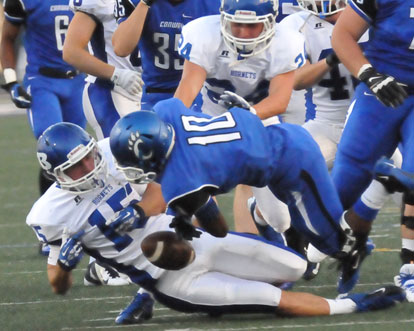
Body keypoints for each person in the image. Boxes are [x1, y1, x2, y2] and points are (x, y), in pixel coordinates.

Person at [27, 122, 406, 323]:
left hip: (192, 240)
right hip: (170, 278)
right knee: (276, 300)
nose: (88, 168)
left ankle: (229, 288)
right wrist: (63, 263)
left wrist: (155, 210)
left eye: (89, 158)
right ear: (55, 173)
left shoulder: (113, 150)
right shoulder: (51, 214)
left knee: (295, 264)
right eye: (74, 167)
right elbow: (58, 287)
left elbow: (165, 179)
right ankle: (354, 305)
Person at [109, 99, 414, 294]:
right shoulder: (165, 112)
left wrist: (188, 216)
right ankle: (265, 213)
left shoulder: (181, 181)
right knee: (309, 228)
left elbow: (218, 230)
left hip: (293, 165)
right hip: (276, 143)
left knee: (332, 242)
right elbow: (180, 113)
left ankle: (382, 185)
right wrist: (185, 211)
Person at [173, 0, 306, 234]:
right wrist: (176, 122)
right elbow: (189, 85)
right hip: (210, 114)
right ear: (223, 18)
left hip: (259, 118)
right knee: (184, 176)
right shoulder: (203, 34)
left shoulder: (286, 41)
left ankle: (260, 217)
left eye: (252, 26)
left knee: (280, 220)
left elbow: (279, 100)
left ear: (270, 22)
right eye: (237, 24)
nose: (244, 33)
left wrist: (246, 115)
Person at [330, 0, 414, 300]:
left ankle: (411, 267)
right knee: (338, 196)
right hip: (381, 91)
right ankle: (356, 239)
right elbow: (342, 34)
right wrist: (370, 75)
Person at [1, 0, 87, 196]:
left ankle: (77, 210)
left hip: (77, 80)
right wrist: (11, 81)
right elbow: (7, 38)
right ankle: (49, 216)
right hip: (42, 81)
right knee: (54, 148)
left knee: (78, 151)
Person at [111, 0, 221, 110]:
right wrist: (144, 3)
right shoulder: (137, 2)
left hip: (200, 92)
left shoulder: (214, 4)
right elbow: (121, 49)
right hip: (156, 93)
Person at [62, 0, 144, 140]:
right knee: (122, 158)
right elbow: (71, 52)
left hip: (152, 89)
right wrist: (116, 74)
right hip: (112, 90)